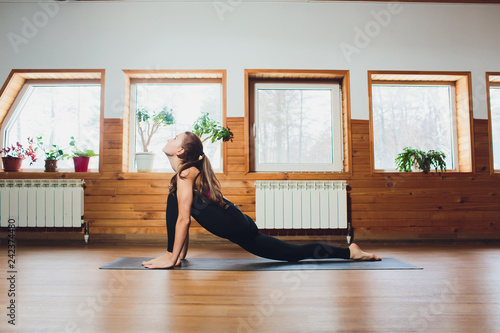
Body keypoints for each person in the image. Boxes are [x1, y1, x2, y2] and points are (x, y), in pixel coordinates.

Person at [142, 132, 380, 269]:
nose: (170, 138)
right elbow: (182, 217)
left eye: (175, 138)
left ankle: (350, 252)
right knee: (173, 197)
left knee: (294, 254)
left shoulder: (186, 173)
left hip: (237, 225)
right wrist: (178, 255)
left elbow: (184, 220)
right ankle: (173, 253)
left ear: (181, 151)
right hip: (236, 222)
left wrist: (172, 260)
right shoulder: (185, 175)